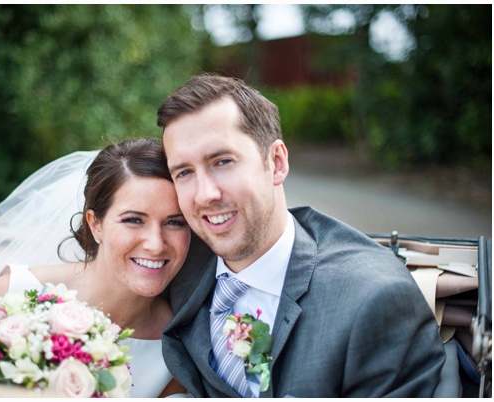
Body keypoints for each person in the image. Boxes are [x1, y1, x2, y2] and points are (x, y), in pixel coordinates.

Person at [156, 73, 448, 397]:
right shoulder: (173, 264)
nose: (204, 194)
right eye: (184, 172)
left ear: (277, 162)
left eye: (222, 161)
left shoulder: (374, 301)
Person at [0, 138, 190, 397]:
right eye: (133, 220)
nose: (156, 244)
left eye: (175, 222)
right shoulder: (13, 295)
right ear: (95, 224)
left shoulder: (178, 344)